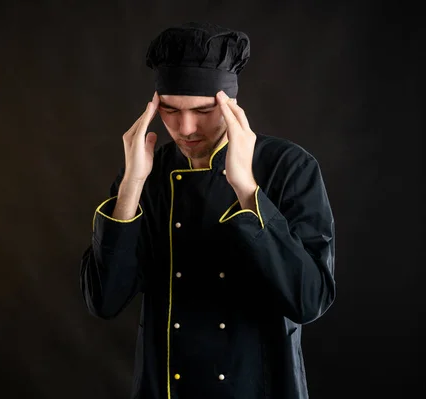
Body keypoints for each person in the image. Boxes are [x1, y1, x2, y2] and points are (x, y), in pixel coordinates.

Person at [79, 21, 336, 399]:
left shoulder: (289, 166)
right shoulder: (146, 170)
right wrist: (132, 184)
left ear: (231, 106)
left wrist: (246, 190)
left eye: (202, 111)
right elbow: (104, 301)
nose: (185, 128)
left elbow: (308, 300)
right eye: (169, 110)